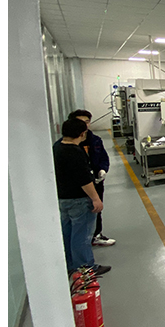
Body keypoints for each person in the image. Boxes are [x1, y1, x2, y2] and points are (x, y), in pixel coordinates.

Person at [53, 118, 110, 276]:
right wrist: (96, 198)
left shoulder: (57, 147)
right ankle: (86, 268)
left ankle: (71, 265)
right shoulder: (75, 152)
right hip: (79, 199)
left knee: (68, 234)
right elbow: (84, 180)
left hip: (64, 198)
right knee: (82, 236)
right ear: (82, 133)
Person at [67, 109, 115, 247]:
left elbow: (103, 158)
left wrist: (102, 170)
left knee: (96, 209)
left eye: (87, 122)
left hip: (96, 182)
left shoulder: (95, 140)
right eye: (81, 122)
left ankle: (96, 235)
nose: (85, 125)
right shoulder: (70, 146)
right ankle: (81, 243)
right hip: (78, 186)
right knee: (79, 215)